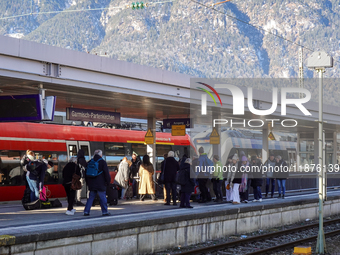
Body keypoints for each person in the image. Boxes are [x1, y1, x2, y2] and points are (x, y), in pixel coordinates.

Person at [84, 150, 111, 216]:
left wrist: (88, 183)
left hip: (92, 184)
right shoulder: (102, 162)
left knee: (91, 198)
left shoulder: (90, 162)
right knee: (103, 197)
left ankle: (86, 211)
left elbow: (86, 174)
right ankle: (104, 211)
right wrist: (108, 182)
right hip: (100, 184)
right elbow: (106, 174)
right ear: (101, 155)